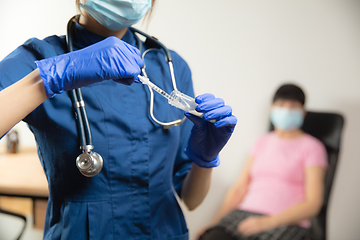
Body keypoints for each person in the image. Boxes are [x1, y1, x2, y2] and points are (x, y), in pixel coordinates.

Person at [0, 1, 237, 239]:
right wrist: (51, 77)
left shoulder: (169, 66)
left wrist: (205, 159)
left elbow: (192, 199)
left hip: (164, 231)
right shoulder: (41, 59)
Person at [198, 84, 327, 240]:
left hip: (285, 221)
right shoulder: (261, 142)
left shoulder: (313, 147)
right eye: (281, 105)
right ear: (272, 108)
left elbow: (313, 203)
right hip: (243, 215)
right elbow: (239, 188)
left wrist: (268, 222)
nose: (286, 111)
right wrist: (213, 223)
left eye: (292, 107)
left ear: (303, 112)